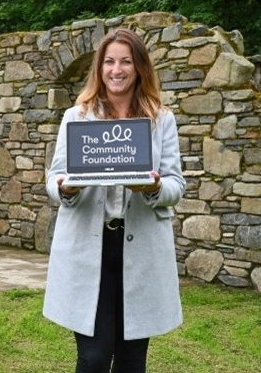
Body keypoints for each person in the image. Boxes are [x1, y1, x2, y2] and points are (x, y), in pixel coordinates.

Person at [43, 28, 186, 373]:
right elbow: (54, 179)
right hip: (88, 249)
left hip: (140, 251)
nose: (116, 70)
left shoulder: (161, 119)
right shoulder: (76, 117)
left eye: (125, 61)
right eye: (109, 62)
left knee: (132, 360)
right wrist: (66, 189)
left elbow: (176, 184)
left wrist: (152, 189)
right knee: (93, 358)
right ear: (99, 68)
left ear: (139, 68)